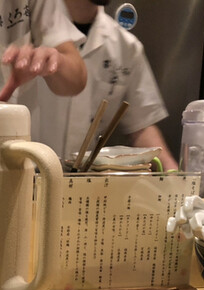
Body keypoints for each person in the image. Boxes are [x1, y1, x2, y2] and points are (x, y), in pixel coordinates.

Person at [26, 0, 178, 170]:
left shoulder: (126, 47)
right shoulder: (26, 24)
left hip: (86, 178)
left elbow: (141, 125)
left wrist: (172, 173)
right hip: (26, 173)